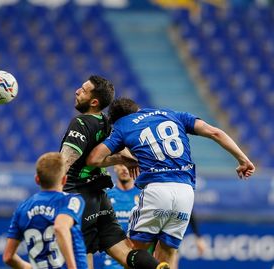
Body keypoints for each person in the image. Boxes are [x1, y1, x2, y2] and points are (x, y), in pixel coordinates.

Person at [87, 97, 255, 269]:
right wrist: (243, 160)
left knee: (133, 255)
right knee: (167, 253)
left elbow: (94, 159)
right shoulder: (172, 114)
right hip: (186, 192)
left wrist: (123, 158)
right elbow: (215, 133)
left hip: (157, 189)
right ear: (137, 110)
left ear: (116, 120)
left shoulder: (123, 126)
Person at [59, 76, 170, 269]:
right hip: (100, 198)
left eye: (84, 90)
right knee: (125, 253)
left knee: (82, 255)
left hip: (78, 197)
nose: (77, 91)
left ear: (94, 102)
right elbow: (123, 152)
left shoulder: (81, 123)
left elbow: (66, 160)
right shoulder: (105, 123)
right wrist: (128, 159)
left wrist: (53, 191)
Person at [3, 152, 88, 269]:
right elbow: (60, 228)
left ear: (37, 179)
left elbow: (8, 257)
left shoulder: (22, 208)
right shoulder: (71, 200)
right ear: (64, 179)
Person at [100, 164, 141, 269]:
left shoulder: (144, 196)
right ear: (114, 167)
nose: (124, 168)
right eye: (121, 164)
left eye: (127, 165)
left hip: (137, 260)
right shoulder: (106, 195)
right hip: (111, 262)